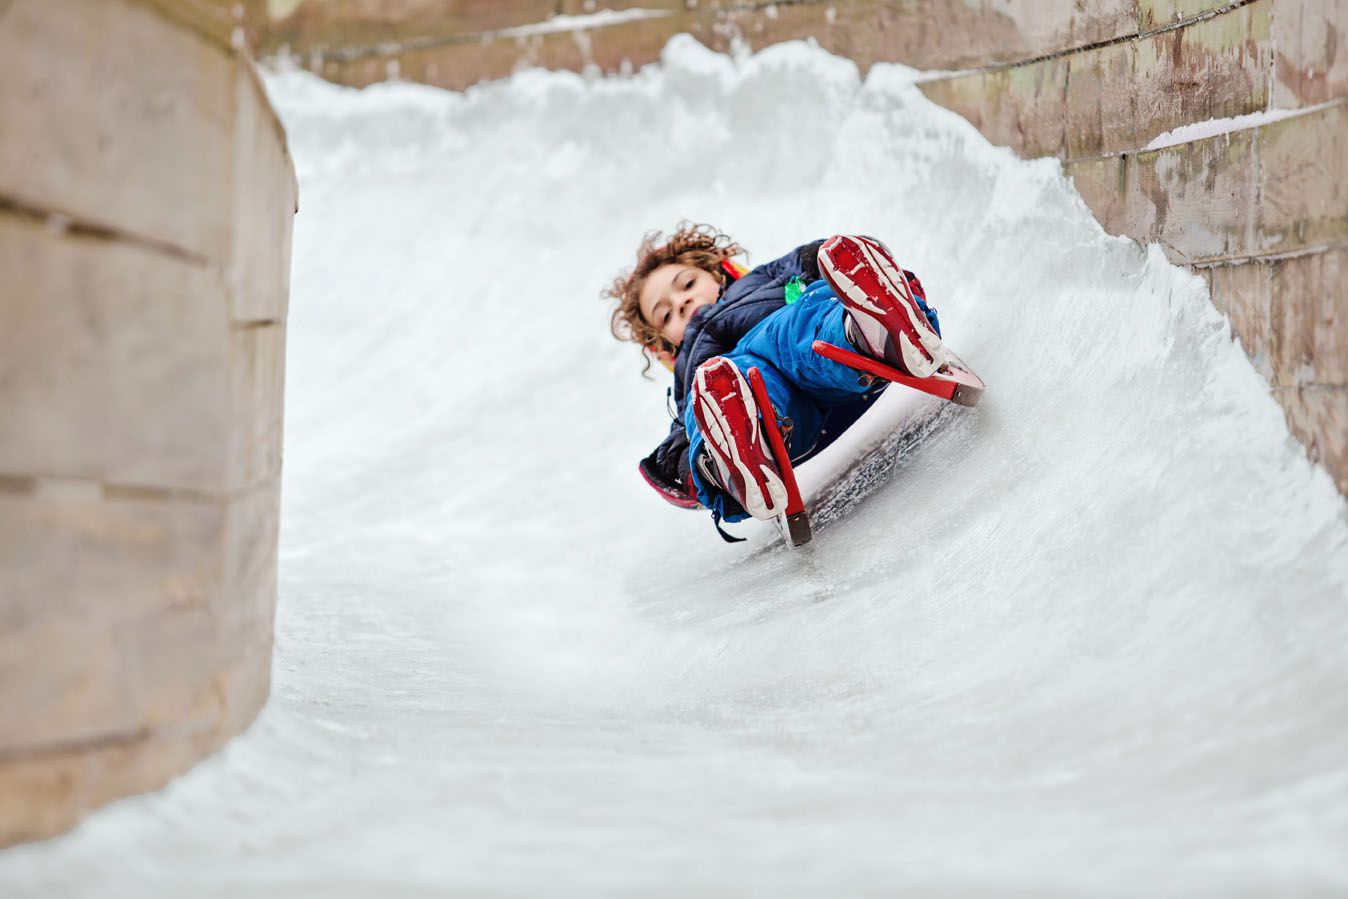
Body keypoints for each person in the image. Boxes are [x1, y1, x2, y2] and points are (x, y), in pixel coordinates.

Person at [605, 222, 943, 537]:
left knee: (805, 322)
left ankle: (872, 330)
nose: (683, 301)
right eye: (668, 314)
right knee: (710, 399)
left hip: (805, 350)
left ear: (717, 272)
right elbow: (681, 439)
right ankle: (730, 460)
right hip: (772, 419)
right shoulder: (689, 373)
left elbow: (811, 259)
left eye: (688, 285)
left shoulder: (761, 280)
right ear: (664, 343)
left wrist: (838, 259)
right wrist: (683, 467)